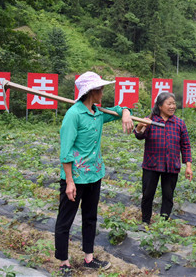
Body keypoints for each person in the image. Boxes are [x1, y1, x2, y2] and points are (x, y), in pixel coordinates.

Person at [55, 71, 134, 275]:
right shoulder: (74, 115)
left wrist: (125, 111)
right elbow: (66, 151)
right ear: (92, 91)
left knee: (90, 217)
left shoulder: (98, 113)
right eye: (101, 88)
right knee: (66, 220)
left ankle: (89, 258)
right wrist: (70, 181)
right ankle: (64, 262)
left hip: (94, 175)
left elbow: (119, 110)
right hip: (76, 177)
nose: (103, 91)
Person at [134, 92, 193, 227]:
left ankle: (163, 224)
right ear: (160, 106)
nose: (173, 106)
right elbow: (139, 135)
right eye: (169, 104)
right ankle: (145, 221)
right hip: (151, 165)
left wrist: (188, 166)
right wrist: (141, 125)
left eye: (174, 104)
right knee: (148, 194)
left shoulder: (179, 123)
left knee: (168, 196)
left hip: (171, 166)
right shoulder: (150, 120)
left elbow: (186, 145)